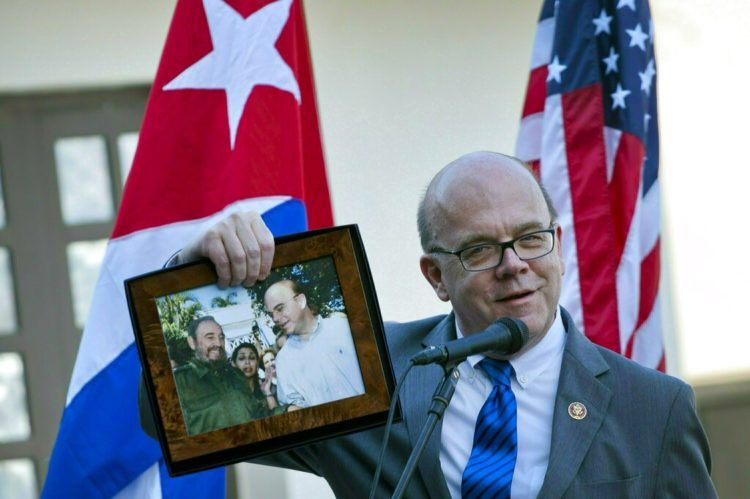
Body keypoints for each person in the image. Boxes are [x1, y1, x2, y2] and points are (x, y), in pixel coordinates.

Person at [142, 152, 716, 497]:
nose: (515, 265)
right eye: (479, 250)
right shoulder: (369, 371)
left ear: (558, 244)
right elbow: (168, 420)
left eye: (530, 239)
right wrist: (189, 269)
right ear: (435, 277)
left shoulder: (654, 409)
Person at [262, 278, 365, 409]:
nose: (275, 319)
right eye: (272, 314)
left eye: (280, 308)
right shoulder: (283, 361)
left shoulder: (344, 328)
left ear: (300, 301)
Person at [172, 316, 266, 435]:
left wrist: (286, 410)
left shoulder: (236, 375)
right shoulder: (179, 382)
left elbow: (258, 415)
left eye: (221, 337)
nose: (218, 343)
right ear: (192, 342)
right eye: (210, 337)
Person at [230, 341, 280, 414]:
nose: (247, 362)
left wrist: (267, 392)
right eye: (242, 358)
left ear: (257, 364)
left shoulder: (267, 387)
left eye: (252, 358)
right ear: (234, 364)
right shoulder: (231, 394)